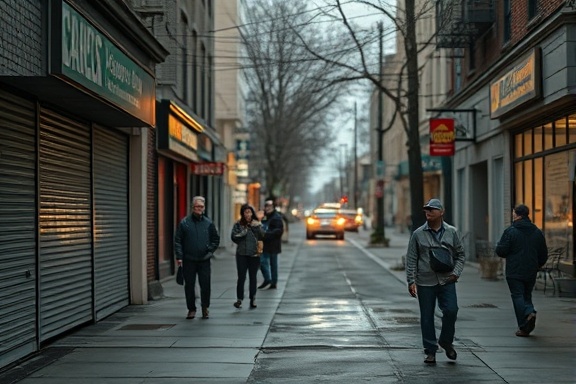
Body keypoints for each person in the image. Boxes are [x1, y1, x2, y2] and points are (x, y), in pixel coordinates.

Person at [405, 198, 466, 365]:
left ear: (441, 212)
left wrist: (456, 273)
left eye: (432, 209)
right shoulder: (418, 234)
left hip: (447, 279)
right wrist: (411, 280)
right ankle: (430, 350)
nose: (428, 212)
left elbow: (460, 255)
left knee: (451, 311)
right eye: (426, 210)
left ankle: (446, 341)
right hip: (425, 281)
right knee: (426, 316)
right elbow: (411, 258)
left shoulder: (452, 232)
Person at [495, 204, 548, 337]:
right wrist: (538, 264)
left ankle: (527, 318)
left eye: (513, 212)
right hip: (531, 269)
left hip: (514, 269)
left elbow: (501, 250)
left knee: (518, 295)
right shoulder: (537, 232)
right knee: (526, 295)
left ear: (516, 214)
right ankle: (526, 324)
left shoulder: (510, 231)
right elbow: (543, 253)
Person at [174, 196, 220, 320]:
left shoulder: (208, 223)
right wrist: (179, 256)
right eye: (197, 206)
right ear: (192, 207)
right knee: (189, 285)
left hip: (204, 259)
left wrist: (210, 251)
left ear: (204, 208)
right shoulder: (184, 223)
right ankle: (191, 309)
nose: (199, 209)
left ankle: (205, 308)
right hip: (189, 259)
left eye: (201, 206)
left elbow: (216, 239)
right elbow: (178, 240)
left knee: (205, 285)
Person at [231, 204, 265, 309]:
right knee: (241, 277)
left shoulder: (257, 224)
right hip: (241, 254)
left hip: (254, 254)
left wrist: (257, 226)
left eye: (249, 212)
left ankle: (252, 298)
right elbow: (233, 237)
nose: (248, 214)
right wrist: (244, 231)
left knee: (253, 277)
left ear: (252, 213)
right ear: (242, 213)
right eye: (245, 212)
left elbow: (262, 237)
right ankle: (239, 299)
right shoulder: (238, 224)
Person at [258, 198, 284, 290]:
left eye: (269, 207)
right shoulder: (265, 216)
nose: (267, 208)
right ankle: (268, 279)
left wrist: (266, 234)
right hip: (264, 244)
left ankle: (273, 282)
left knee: (273, 264)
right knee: (261, 262)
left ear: (273, 207)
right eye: (266, 207)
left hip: (273, 244)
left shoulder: (276, 217)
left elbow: (279, 231)